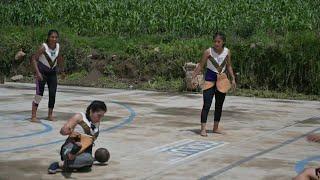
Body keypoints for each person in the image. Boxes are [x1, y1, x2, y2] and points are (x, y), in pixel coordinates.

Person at [193, 32, 236, 137]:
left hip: (222, 80)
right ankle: (203, 129)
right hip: (209, 80)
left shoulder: (227, 52)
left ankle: (215, 127)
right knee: (206, 104)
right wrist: (193, 76)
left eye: (219, 41)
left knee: (219, 105)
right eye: (215, 41)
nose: (216, 43)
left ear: (223, 42)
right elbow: (201, 65)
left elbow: (229, 66)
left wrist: (233, 79)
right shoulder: (208, 52)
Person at [48, 100, 107, 174]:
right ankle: (58, 164)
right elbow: (62, 131)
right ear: (91, 111)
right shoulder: (79, 117)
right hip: (70, 148)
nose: (100, 118)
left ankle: (71, 163)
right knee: (88, 161)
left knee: (88, 163)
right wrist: (67, 131)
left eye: (102, 116)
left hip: (83, 152)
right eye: (99, 115)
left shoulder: (96, 123)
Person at [30, 29, 64, 122]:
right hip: (42, 73)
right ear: (48, 38)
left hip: (52, 74)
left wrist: (62, 70)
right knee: (39, 94)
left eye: (56, 37)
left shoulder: (57, 46)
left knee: (52, 94)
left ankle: (50, 115)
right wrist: (38, 73)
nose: (54, 39)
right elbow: (34, 59)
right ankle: (33, 116)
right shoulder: (43, 47)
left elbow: (59, 58)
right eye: (52, 37)